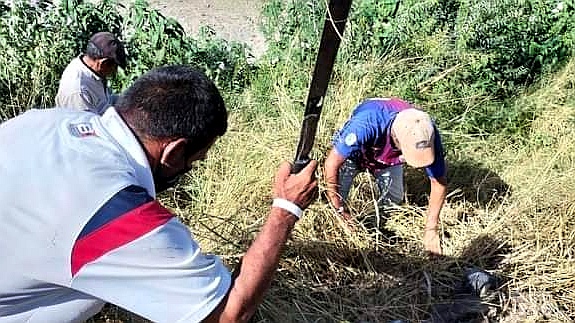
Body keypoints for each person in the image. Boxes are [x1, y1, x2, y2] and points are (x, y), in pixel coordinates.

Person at [0, 65, 318, 322]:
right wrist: (285, 209)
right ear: (174, 152)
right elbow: (228, 314)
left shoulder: (48, 121)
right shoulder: (118, 216)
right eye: (196, 161)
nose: (192, 169)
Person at [324, 97, 447, 255]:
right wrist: (340, 211)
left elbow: (439, 183)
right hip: (354, 156)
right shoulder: (366, 124)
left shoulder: (425, 131)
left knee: (394, 197)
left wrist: (431, 230)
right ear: (397, 140)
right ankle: (340, 235)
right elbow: (331, 164)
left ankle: (370, 227)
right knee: (337, 198)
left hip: (386, 159)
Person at [55, 31, 128, 115]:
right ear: (103, 63)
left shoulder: (92, 70)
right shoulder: (78, 91)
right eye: (115, 67)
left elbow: (104, 102)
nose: (115, 71)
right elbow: (86, 124)